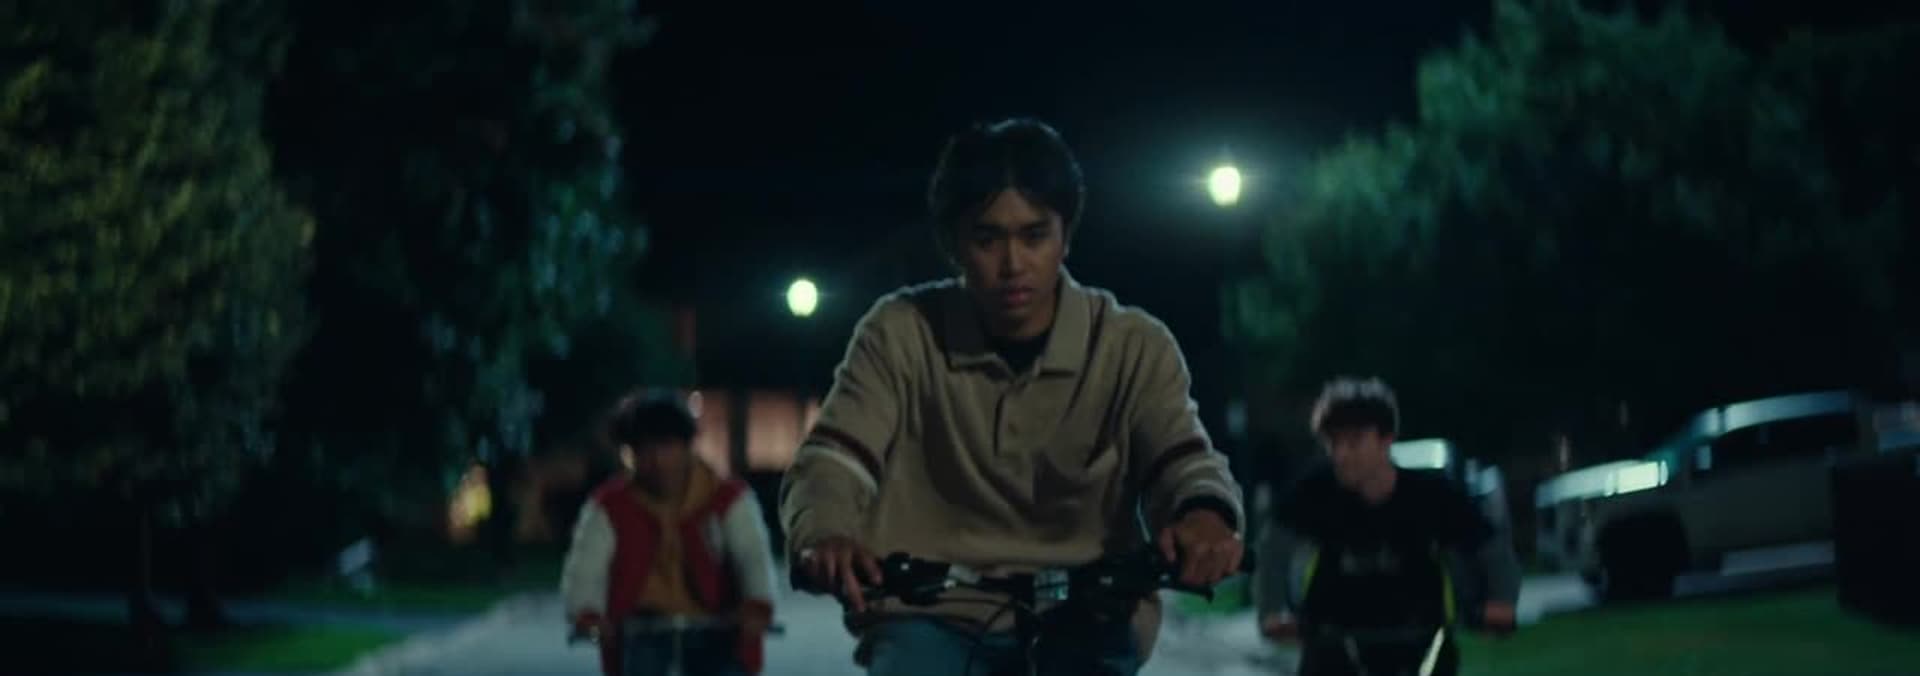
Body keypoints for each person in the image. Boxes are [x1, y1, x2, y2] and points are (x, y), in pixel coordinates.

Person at [779, 117, 1247, 676]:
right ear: (955, 244)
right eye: (987, 239)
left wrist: (1203, 516)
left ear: (1066, 236)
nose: (1012, 264)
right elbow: (834, 459)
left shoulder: (1131, 346)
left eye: (1034, 235)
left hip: (1088, 610)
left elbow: (1179, 454)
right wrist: (826, 533)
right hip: (929, 613)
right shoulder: (899, 333)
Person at [1254, 377, 1520, 676]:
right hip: (1334, 642)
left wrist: (1501, 601)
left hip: (1419, 639)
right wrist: (1272, 611)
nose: (1341, 454)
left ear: (1386, 439)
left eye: (1354, 442)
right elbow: (1274, 548)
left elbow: (1489, 545)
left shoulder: (1428, 494)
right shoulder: (1316, 493)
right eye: (1334, 443)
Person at [561, 391, 778, 676]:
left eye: (666, 446)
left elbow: (752, 555)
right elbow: (586, 568)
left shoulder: (727, 498)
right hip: (640, 637)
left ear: (687, 446)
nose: (656, 460)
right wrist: (587, 613)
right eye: (643, 449)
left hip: (719, 634)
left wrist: (757, 604)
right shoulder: (610, 507)